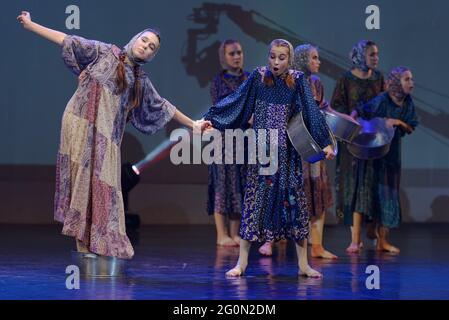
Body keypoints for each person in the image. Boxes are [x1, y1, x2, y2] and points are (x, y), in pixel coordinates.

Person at [17, 11, 211, 259]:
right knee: (83, 182)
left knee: (104, 185)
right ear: (134, 39)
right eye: (145, 41)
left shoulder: (139, 79)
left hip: (107, 137)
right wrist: (31, 25)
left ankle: (98, 243)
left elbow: (162, 106)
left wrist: (193, 124)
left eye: (152, 48)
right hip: (80, 123)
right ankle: (84, 245)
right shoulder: (104, 51)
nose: (147, 48)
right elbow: (68, 40)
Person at [204, 39, 336, 278]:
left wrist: (324, 141)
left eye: (281, 57)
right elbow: (238, 102)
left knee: (295, 205)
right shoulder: (258, 77)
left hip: (287, 154)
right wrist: (213, 119)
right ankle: (241, 263)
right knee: (254, 203)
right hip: (262, 153)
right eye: (272, 56)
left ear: (290, 58)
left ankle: (304, 265)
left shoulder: (297, 80)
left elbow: (310, 111)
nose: (276, 62)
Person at [351, 67, 419, 253]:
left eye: (411, 79)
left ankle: (383, 241)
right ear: (397, 81)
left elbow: (411, 126)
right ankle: (360, 238)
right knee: (371, 194)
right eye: (407, 79)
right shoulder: (382, 100)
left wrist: (398, 123)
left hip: (392, 156)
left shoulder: (407, 102)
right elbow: (359, 112)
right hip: (374, 157)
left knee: (388, 195)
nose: (411, 83)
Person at [330, 40, 385, 253]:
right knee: (352, 186)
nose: (375, 58)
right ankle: (354, 238)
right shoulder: (345, 79)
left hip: (373, 140)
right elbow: (336, 107)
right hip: (352, 141)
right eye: (372, 54)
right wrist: (351, 116)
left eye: (377, 54)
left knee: (369, 186)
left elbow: (383, 103)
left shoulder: (379, 78)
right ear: (361, 56)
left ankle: (372, 231)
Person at [208, 40, 249, 247]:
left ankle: (235, 233)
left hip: (243, 139)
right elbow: (220, 108)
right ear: (224, 56)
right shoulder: (218, 81)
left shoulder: (249, 78)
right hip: (223, 139)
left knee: (238, 184)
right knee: (222, 184)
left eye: (239, 52)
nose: (236, 56)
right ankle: (220, 234)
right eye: (232, 53)